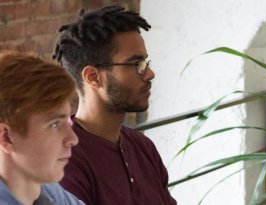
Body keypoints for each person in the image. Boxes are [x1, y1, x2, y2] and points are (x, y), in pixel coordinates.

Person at [51, 5, 176, 205]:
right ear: (93, 77)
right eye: (136, 64)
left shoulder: (142, 146)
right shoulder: (65, 158)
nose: (149, 74)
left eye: (145, 63)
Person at [0, 51, 84, 205]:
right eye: (54, 124)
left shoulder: (44, 188)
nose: (73, 139)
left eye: (68, 122)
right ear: (6, 137)